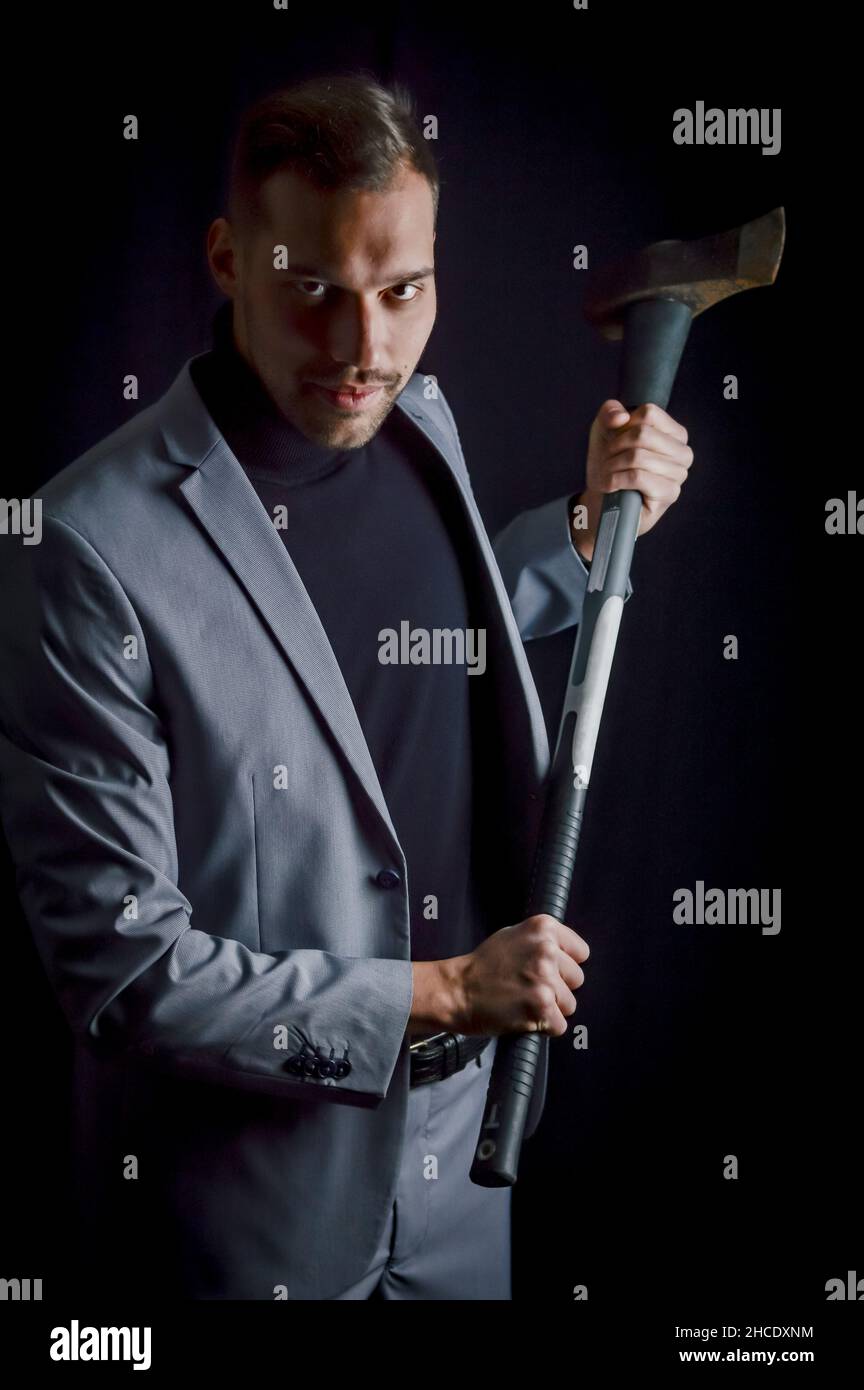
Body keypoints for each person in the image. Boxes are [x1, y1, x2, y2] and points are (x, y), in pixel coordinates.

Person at [0, 72, 693, 1300]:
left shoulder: (417, 419)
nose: (363, 350)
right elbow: (123, 970)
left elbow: (435, 632)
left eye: (401, 292)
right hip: (248, 1210)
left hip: (466, 1163)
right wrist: (444, 992)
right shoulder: (87, 544)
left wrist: (591, 527)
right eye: (313, 291)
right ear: (227, 257)